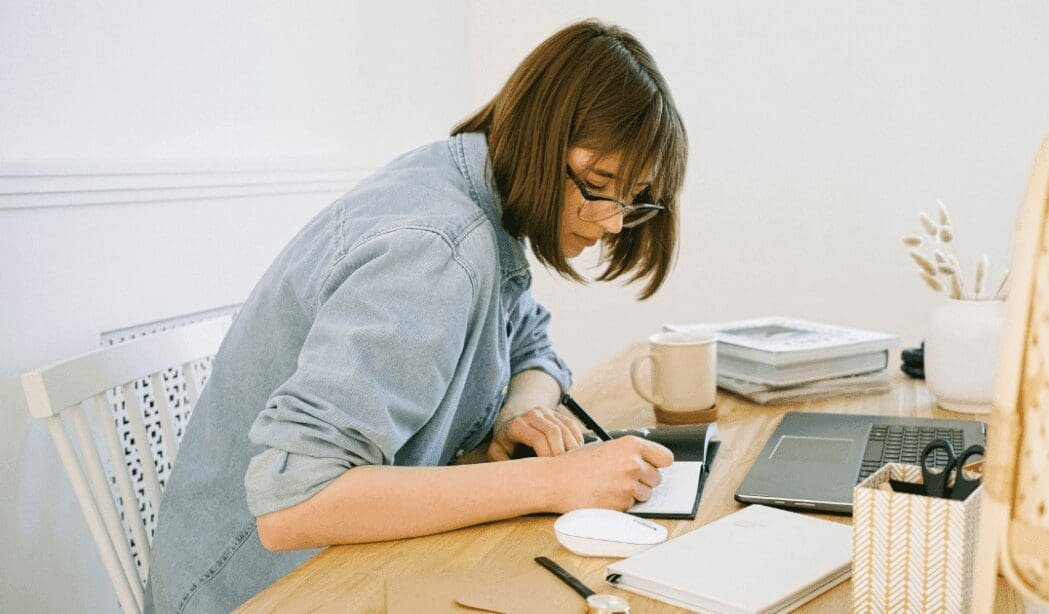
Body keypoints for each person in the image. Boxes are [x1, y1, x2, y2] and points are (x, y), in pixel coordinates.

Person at [146, 18, 688, 613]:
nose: (613, 221)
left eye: (633, 198)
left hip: (351, 565)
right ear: (541, 136)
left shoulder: (478, 192)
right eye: (598, 184)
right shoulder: (439, 248)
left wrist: (523, 414)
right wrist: (555, 481)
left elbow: (533, 345)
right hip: (258, 592)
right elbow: (292, 500)